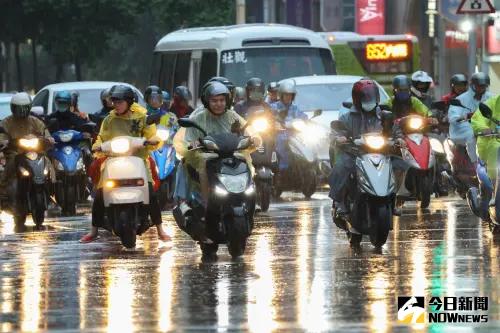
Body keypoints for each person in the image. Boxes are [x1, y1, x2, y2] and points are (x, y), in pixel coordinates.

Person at [79, 85, 171, 243]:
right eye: (114, 101)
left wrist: (152, 140)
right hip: (113, 160)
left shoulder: (142, 115)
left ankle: (160, 229)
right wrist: (98, 145)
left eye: (120, 102)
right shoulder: (109, 119)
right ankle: (94, 231)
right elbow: (102, 137)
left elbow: (152, 134)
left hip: (140, 160)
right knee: (100, 194)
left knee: (150, 192)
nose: (116, 105)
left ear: (129, 101)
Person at [172, 81, 257, 219]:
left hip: (229, 154)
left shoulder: (232, 116)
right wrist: (197, 143)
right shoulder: (198, 117)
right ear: (207, 102)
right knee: (199, 162)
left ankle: (248, 197)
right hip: (207, 155)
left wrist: (253, 139)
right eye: (214, 101)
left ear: (227, 100)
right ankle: (207, 202)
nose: (219, 104)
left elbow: (247, 131)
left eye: (222, 100)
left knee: (243, 160)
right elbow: (188, 142)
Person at [328, 79, 406, 216]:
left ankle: (392, 199)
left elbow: (395, 129)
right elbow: (337, 131)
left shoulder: (383, 115)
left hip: (381, 152)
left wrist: (399, 138)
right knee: (341, 167)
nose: (369, 100)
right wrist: (339, 138)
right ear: (357, 98)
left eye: (372, 97)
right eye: (366, 97)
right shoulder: (347, 117)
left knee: (400, 165)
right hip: (355, 153)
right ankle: (339, 202)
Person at [0, 92, 55, 196]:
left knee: (47, 161)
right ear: (13, 108)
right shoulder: (6, 122)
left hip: (36, 151)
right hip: (15, 153)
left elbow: (45, 131)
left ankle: (52, 186)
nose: (22, 112)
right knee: (10, 163)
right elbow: (2, 135)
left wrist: (49, 138)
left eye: (24, 108)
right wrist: (4, 141)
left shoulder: (35, 121)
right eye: (18, 109)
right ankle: (3, 191)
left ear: (29, 107)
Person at [448, 72, 492, 164]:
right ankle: (476, 164)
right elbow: (452, 118)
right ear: (473, 85)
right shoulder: (460, 99)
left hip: (486, 128)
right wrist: (466, 116)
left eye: (483, 86)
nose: (481, 88)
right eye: (479, 86)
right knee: (473, 135)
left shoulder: (491, 97)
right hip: (463, 129)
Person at [471, 94, 500, 220]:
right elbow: (478, 118)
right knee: (496, 149)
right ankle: (495, 190)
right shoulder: (492, 103)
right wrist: (484, 128)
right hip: (493, 140)